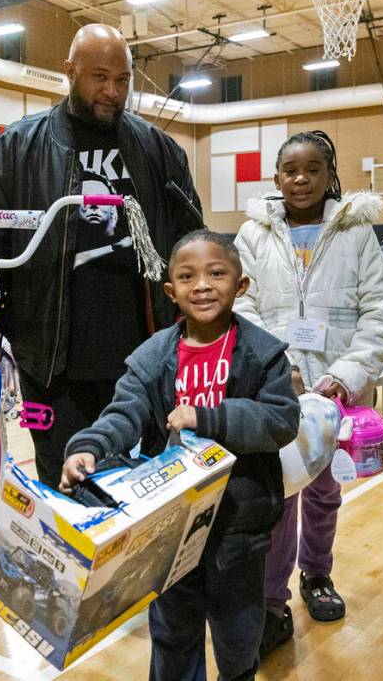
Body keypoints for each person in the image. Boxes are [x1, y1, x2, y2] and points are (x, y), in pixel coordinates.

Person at [0, 23, 203, 487]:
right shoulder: (16, 149)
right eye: (98, 77)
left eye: (123, 80)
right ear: (69, 72)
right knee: (61, 478)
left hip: (143, 357)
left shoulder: (159, 151)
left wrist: (196, 324)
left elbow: (191, 240)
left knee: (145, 480)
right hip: (49, 362)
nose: (112, 91)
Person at [61, 230, 299, 681]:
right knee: (172, 634)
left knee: (237, 635)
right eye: (188, 277)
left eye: (216, 273)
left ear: (241, 284)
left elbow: (281, 420)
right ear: (171, 291)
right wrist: (88, 447)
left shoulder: (263, 353)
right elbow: (124, 413)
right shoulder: (152, 356)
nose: (203, 286)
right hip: (171, 529)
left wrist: (208, 417)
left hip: (238, 527)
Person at [233, 130, 383, 652]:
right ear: (276, 178)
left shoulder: (357, 234)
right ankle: (270, 600)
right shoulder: (252, 236)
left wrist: (346, 375)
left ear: (330, 177)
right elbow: (241, 305)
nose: (300, 180)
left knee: (324, 493)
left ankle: (317, 574)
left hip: (337, 395)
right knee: (278, 496)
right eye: (290, 170)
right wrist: (275, 365)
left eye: (312, 170)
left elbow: (379, 311)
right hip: (276, 394)